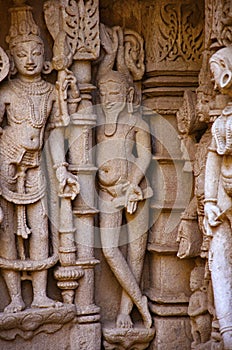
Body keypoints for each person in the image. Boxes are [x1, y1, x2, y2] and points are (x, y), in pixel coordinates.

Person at [0, 3, 79, 313]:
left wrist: (61, 169)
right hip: (6, 163)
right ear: (12, 59)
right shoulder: (5, 91)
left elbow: (55, 134)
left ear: (45, 58)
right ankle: (16, 300)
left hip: (36, 165)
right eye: (22, 54)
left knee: (41, 229)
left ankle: (41, 296)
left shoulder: (49, 92)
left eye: (36, 53)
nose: (30, 60)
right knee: (6, 232)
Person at [96, 25, 153, 328]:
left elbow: (144, 155)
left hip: (134, 191)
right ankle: (139, 299)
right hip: (107, 195)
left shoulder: (135, 120)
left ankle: (124, 311)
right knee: (108, 249)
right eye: (105, 94)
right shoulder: (96, 120)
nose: (109, 99)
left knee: (135, 255)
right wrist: (112, 53)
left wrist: (133, 182)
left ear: (129, 94)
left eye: (116, 93)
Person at [204, 45, 232, 349]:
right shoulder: (223, 118)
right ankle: (227, 331)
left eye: (216, 74)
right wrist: (210, 201)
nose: (215, 83)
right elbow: (213, 156)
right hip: (224, 197)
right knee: (219, 259)